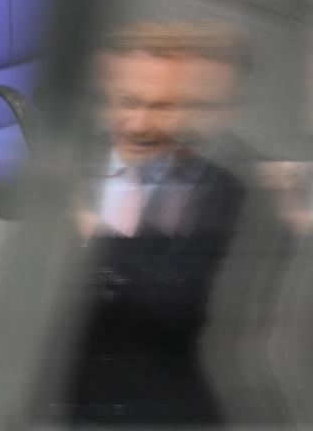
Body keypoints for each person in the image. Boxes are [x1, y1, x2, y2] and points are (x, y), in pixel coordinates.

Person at [47, 22, 249, 426]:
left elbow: (181, 303)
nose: (138, 124)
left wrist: (96, 238)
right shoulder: (70, 172)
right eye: (125, 101)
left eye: (159, 106)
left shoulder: (221, 188)